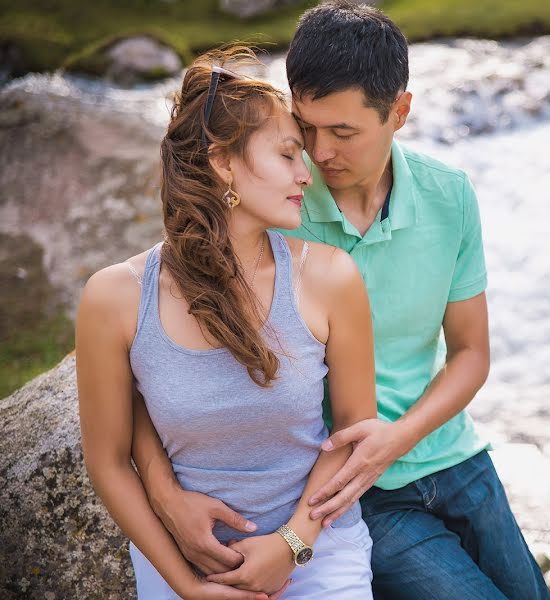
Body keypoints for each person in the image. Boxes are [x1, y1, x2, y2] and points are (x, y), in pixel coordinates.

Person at [133, 2, 550, 598]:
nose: (318, 153)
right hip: (348, 489)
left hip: (455, 457)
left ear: (399, 112)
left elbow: (470, 353)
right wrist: (164, 492)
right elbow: (156, 354)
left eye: (343, 132)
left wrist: (399, 436)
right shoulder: (272, 207)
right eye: (305, 129)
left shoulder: (449, 195)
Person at [76, 46, 377, 600]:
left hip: (317, 555)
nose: (305, 174)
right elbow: (109, 461)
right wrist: (186, 585)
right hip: (185, 566)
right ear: (223, 163)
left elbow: (354, 434)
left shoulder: (331, 278)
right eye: (287, 155)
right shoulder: (114, 298)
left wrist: (291, 544)